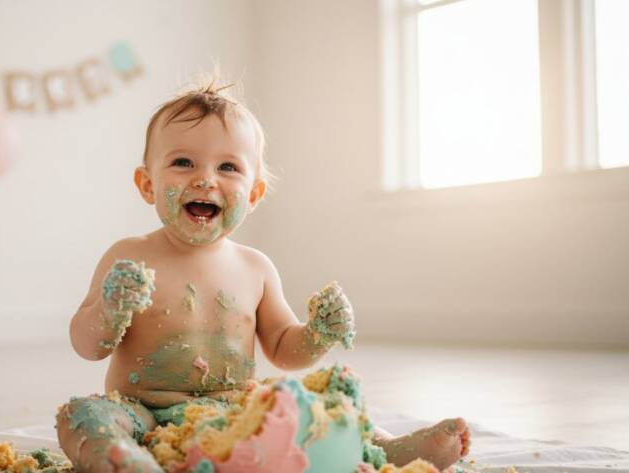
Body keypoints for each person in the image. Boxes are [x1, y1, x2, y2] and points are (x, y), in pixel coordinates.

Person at [56, 79, 470, 473]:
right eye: (182, 162)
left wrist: (317, 335)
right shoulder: (129, 257)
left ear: (253, 195)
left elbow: (283, 348)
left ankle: (384, 447)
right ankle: (124, 458)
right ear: (147, 184)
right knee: (84, 415)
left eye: (228, 167)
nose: (205, 178)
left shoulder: (255, 268)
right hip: (141, 414)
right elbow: (86, 344)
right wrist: (110, 309)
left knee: (321, 406)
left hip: (237, 412)